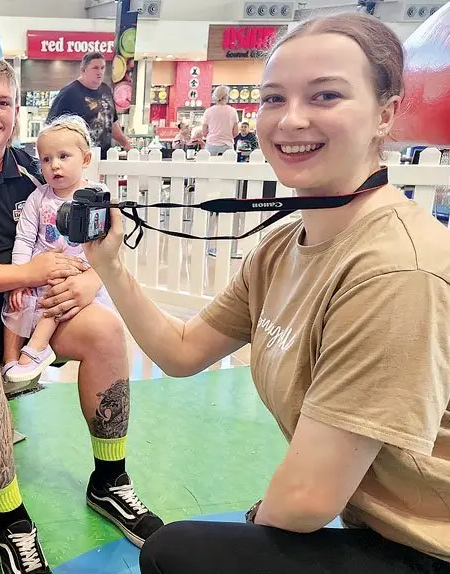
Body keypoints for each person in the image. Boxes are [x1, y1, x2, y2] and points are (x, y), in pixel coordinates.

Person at [83, 13, 450, 573]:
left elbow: (306, 501)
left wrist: (256, 529)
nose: (291, 120)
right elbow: (182, 351)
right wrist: (109, 265)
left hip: (427, 549)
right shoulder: (283, 246)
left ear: (387, 113)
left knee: (176, 555)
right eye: (273, 98)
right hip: (369, 526)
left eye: (325, 95)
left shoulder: (395, 269)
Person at [0, 55, 163, 574]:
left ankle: (110, 481)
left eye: (3, 102)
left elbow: (104, 238)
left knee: (107, 330)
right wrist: (28, 275)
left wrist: (88, 280)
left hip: (31, 305)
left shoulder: (37, 166)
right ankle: (12, 521)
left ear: (17, 110)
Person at [0, 115, 117, 383]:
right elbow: (24, 239)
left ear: (85, 159)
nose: (55, 166)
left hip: (78, 270)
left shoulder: (97, 195)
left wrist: (93, 271)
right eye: (46, 159)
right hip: (40, 270)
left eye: (64, 156)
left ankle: (37, 349)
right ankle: (10, 359)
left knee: (59, 291)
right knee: (15, 301)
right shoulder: (38, 197)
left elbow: (108, 241)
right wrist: (19, 278)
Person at [47, 51, 133, 159]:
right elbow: (51, 128)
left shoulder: (106, 90)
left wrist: (125, 143)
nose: (100, 72)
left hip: (105, 158)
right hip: (78, 159)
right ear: (83, 70)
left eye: (102, 68)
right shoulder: (69, 93)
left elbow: (112, 122)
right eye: (95, 68)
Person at [201, 85, 240, 155]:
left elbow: (204, 132)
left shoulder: (208, 111)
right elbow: (236, 132)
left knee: (210, 166)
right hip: (227, 146)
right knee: (227, 166)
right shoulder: (233, 111)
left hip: (211, 145)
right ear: (226, 96)